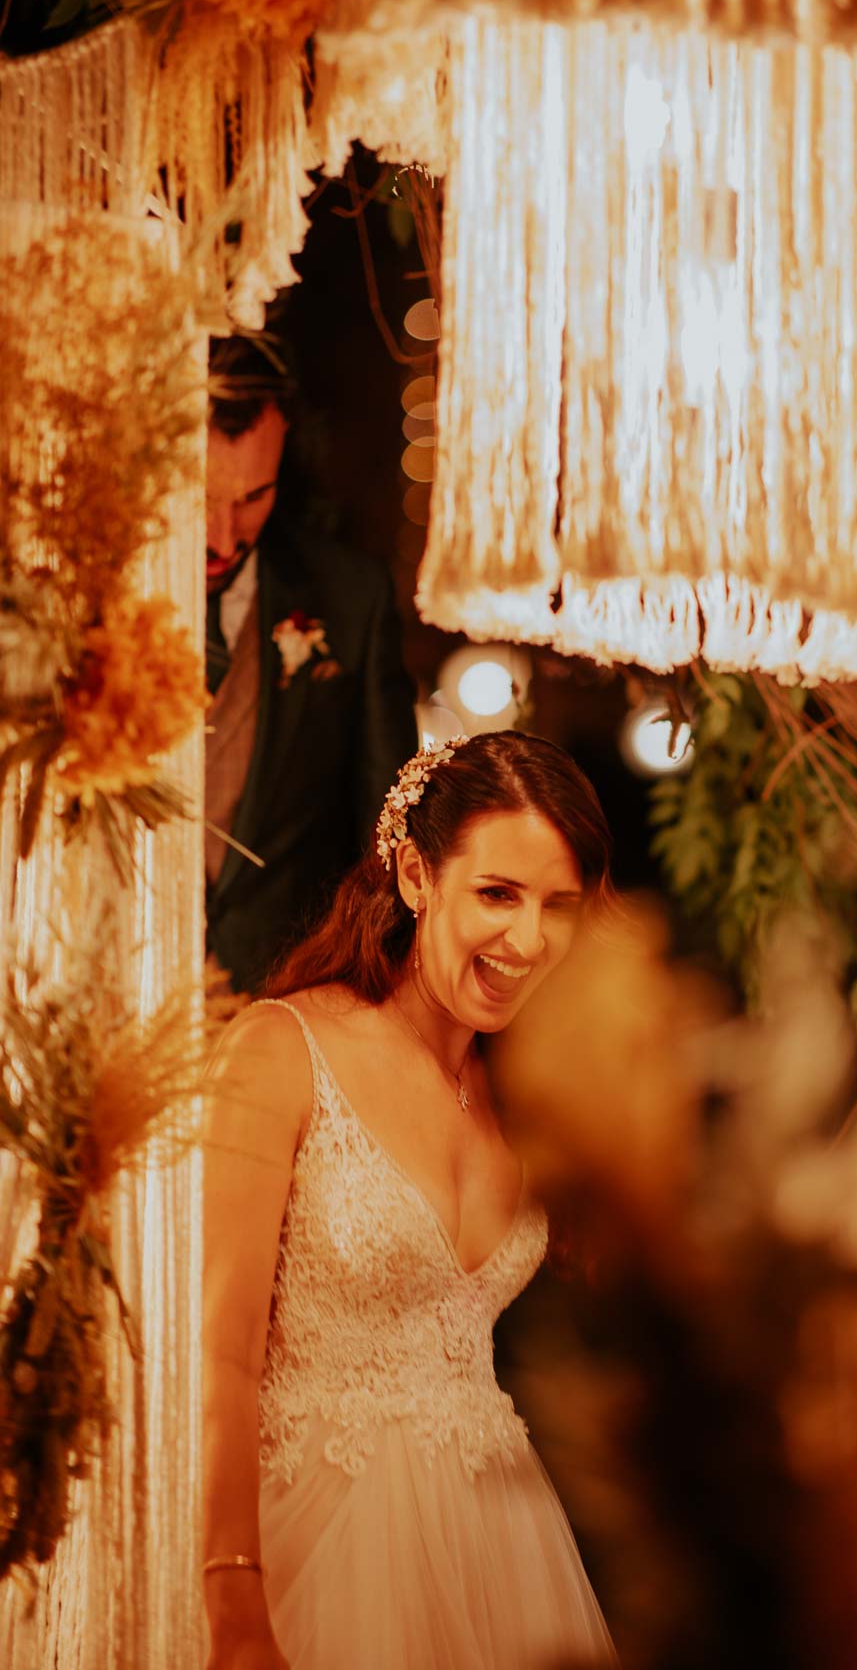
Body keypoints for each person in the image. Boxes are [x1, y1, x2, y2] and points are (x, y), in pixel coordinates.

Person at [201, 730, 619, 1670]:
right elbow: (217, 1355)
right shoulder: (281, 1052)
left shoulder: (533, 1099)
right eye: (498, 895)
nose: (531, 940)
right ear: (417, 876)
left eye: (558, 906)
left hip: (501, 1544)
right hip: (315, 1541)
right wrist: (231, 1595)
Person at [204, 336, 418, 994]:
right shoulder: (82, 592)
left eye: (251, 498)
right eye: (202, 496)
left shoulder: (349, 599)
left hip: (281, 994)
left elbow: (381, 834)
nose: (222, 535)